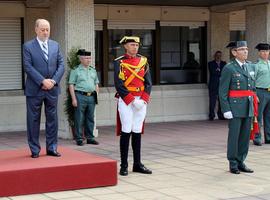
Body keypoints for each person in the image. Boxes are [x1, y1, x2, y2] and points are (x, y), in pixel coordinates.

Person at [23, 19, 65, 158]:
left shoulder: (55, 45)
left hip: (52, 89)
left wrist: (53, 81)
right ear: (36, 30)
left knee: (52, 119)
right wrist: (42, 81)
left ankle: (52, 148)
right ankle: (35, 150)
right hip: (35, 89)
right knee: (33, 120)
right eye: (42, 29)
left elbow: (61, 65)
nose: (45, 32)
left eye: (47, 29)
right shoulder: (28, 46)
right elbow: (28, 67)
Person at [114, 36, 152, 176]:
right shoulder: (119, 62)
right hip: (126, 100)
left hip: (141, 100)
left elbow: (148, 83)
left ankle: (137, 164)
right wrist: (131, 100)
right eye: (132, 45)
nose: (135, 47)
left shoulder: (144, 61)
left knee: (137, 130)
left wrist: (143, 100)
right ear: (125, 46)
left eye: (136, 45)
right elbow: (119, 84)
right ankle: (124, 165)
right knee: (126, 130)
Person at [219, 41, 257, 174]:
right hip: (235, 108)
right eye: (242, 49)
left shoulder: (251, 66)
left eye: (246, 49)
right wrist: (226, 109)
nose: (245, 51)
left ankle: (241, 161)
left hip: (248, 106)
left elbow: (252, 88)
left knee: (245, 137)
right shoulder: (229, 68)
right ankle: (233, 163)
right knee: (234, 137)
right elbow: (222, 91)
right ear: (234, 52)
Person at [68, 49, 99, 146]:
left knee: (90, 118)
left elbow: (96, 83)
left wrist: (96, 95)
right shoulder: (75, 70)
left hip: (91, 96)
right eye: (86, 58)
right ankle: (79, 138)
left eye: (89, 58)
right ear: (81, 59)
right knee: (79, 118)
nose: (88, 60)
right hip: (80, 96)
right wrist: (73, 99)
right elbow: (71, 85)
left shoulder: (93, 70)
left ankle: (90, 137)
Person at [253, 43, 270, 146]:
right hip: (260, 92)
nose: (265, 53)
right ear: (259, 52)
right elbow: (253, 81)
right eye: (263, 51)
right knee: (258, 117)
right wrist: (255, 94)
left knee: (268, 116)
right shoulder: (256, 66)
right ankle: (257, 137)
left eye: (267, 51)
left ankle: (268, 137)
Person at [208, 51, 227, 120]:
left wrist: (218, 71)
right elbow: (213, 72)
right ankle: (211, 115)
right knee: (212, 101)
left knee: (221, 101)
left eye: (220, 55)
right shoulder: (210, 63)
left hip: (221, 85)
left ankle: (220, 115)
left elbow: (224, 73)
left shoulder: (224, 63)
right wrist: (220, 72)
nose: (218, 57)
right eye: (217, 55)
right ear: (214, 56)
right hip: (213, 85)